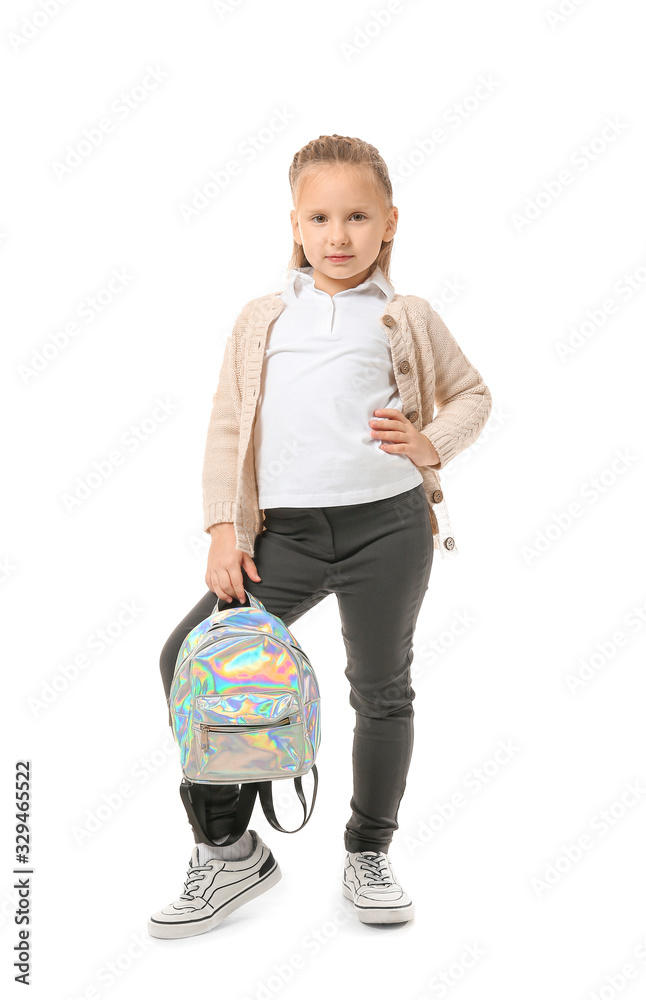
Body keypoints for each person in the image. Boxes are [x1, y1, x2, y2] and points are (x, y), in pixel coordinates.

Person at [148, 133, 492, 939]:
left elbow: (472, 395)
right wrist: (224, 527)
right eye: (321, 217)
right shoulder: (263, 318)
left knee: (381, 689)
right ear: (296, 225)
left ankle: (368, 851)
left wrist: (431, 441)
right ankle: (231, 851)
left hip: (388, 529)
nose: (339, 236)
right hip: (283, 538)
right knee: (188, 659)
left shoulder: (407, 317)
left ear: (390, 223)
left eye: (358, 216)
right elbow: (229, 427)